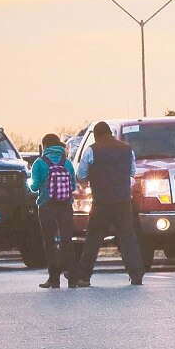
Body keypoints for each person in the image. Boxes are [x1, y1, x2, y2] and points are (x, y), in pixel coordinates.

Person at [74, 122, 145, 286]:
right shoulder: (127, 149)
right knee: (128, 237)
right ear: (110, 133)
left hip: (101, 201)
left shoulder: (92, 149)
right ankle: (136, 274)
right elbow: (132, 173)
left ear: (96, 135)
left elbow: (81, 174)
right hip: (123, 201)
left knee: (94, 238)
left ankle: (84, 276)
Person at [29, 133, 78, 289]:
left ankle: (53, 279)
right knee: (67, 241)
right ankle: (73, 279)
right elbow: (74, 186)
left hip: (46, 205)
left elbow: (34, 186)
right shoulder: (67, 163)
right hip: (65, 206)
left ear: (45, 147)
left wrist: (31, 185)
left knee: (49, 242)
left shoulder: (39, 163)